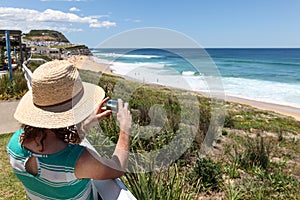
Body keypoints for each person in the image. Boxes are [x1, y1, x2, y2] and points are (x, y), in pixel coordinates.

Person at [6, 60, 132, 200]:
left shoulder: (13, 145)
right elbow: (117, 168)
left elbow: (54, 150)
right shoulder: (78, 160)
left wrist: (85, 126)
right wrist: (125, 129)